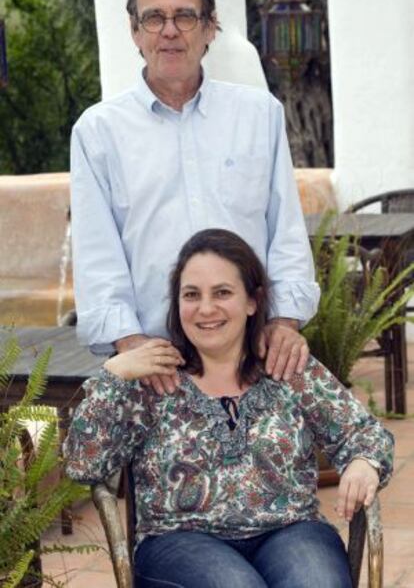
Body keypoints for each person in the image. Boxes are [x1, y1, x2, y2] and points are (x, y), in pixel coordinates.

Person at [64, 228, 394, 588]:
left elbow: (364, 433)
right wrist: (114, 374)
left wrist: (364, 463)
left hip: (291, 530)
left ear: (252, 301)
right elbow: (85, 464)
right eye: (192, 295)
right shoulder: (153, 380)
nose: (206, 309)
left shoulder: (287, 367)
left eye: (222, 292)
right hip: (180, 542)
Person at [70, 0, 320, 392]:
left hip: (255, 358)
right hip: (155, 366)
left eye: (185, 16)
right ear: (135, 32)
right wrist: (132, 346)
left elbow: (286, 231)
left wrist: (283, 322)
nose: (169, 31)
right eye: (153, 18)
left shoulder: (260, 115)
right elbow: (98, 256)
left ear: (209, 29)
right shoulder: (97, 133)